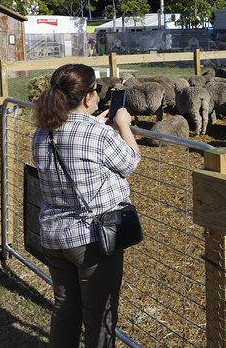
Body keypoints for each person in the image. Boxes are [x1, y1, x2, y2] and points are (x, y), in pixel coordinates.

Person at [32, 63, 140, 348]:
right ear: (89, 97)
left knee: (65, 307)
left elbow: (73, 144)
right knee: (99, 314)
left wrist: (96, 124)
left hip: (54, 236)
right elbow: (130, 161)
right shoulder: (97, 135)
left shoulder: (42, 132)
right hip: (91, 238)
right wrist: (123, 124)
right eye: (96, 90)